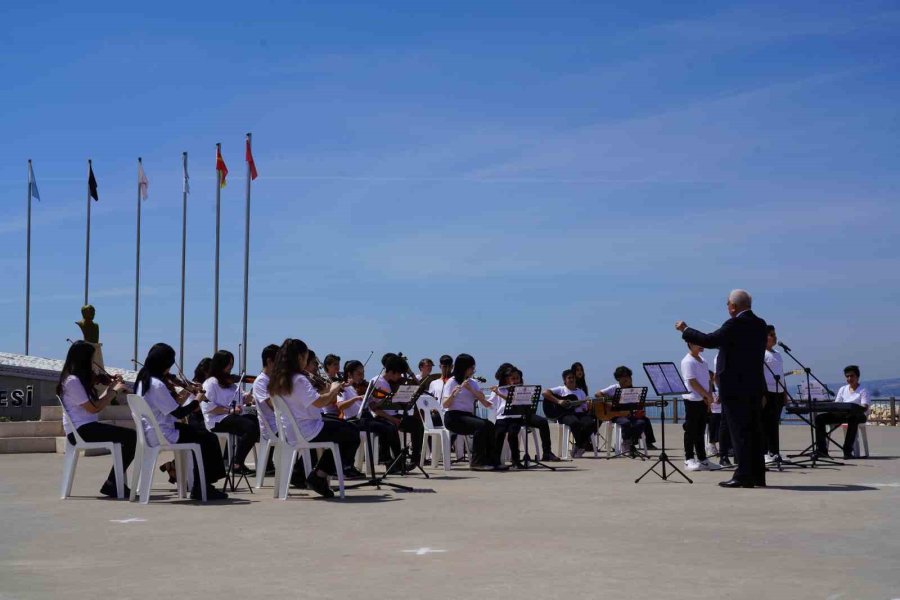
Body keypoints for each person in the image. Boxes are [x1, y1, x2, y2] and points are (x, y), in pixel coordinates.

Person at [677, 289, 768, 488]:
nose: (727, 307)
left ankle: (743, 475)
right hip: (754, 386)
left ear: (733, 306)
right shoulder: (760, 325)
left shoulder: (735, 323)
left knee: (739, 432)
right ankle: (757, 475)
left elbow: (709, 340)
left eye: (728, 304)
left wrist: (686, 330)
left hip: (735, 387)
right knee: (754, 431)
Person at [267, 338, 360, 498]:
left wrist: (325, 391)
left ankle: (318, 474)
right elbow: (319, 403)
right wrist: (333, 389)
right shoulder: (298, 379)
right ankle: (319, 475)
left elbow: (308, 401)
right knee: (352, 433)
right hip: (308, 429)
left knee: (342, 427)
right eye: (305, 357)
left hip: (291, 430)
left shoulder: (279, 379)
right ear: (299, 357)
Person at [136, 343, 227, 500]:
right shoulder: (157, 385)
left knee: (201, 434)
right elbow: (179, 413)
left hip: (153, 430)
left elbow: (170, 407)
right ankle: (202, 486)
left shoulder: (143, 381)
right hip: (163, 433)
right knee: (208, 438)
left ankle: (202, 484)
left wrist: (187, 392)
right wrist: (197, 399)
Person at [58, 341, 133, 498]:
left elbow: (95, 405)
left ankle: (114, 483)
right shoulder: (73, 381)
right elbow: (94, 408)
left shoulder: (78, 380)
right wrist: (113, 391)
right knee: (132, 437)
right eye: (91, 359)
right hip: (81, 431)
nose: (93, 363)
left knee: (130, 436)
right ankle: (112, 484)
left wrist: (110, 387)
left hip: (87, 427)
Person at [442, 353, 506, 470]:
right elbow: (445, 404)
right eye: (471, 368)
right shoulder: (452, 382)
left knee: (490, 425)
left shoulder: (472, 383)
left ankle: (492, 460)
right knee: (481, 425)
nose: (473, 370)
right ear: (464, 368)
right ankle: (477, 462)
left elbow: (484, 401)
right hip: (453, 417)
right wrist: (453, 394)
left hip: (467, 416)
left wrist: (470, 389)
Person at [201, 350, 260, 475]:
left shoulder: (231, 384)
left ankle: (238, 461)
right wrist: (230, 410)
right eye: (228, 364)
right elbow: (209, 408)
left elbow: (242, 397)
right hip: (217, 419)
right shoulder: (210, 383)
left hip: (233, 416)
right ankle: (236, 464)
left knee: (256, 422)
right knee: (250, 427)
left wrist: (248, 397)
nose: (230, 368)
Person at [491, 365, 559, 467]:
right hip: (504, 417)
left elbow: (516, 401)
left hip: (521, 415)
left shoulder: (522, 389)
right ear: (507, 379)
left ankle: (545, 453)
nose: (515, 381)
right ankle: (496, 460)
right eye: (512, 378)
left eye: (517, 378)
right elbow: (489, 404)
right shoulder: (500, 389)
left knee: (538, 423)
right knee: (499, 433)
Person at [365, 354, 425, 470]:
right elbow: (374, 408)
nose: (400, 377)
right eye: (399, 374)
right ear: (391, 372)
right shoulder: (376, 382)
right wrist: (392, 419)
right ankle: (394, 462)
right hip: (382, 417)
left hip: (395, 415)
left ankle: (414, 459)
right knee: (391, 427)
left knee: (417, 424)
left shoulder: (390, 383)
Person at [814, 365, 870, 459]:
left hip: (858, 415)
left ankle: (847, 451)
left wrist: (853, 409)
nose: (849, 378)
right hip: (843, 414)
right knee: (819, 418)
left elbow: (864, 407)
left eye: (852, 376)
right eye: (847, 376)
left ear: (857, 377)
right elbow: (837, 404)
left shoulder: (863, 390)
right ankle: (822, 450)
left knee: (853, 418)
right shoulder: (842, 389)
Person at [595, 366, 648, 456]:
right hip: (616, 415)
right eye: (623, 376)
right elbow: (597, 394)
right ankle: (626, 443)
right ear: (618, 378)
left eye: (628, 376)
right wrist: (609, 402)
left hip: (629, 414)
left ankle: (630, 443)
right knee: (625, 422)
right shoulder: (614, 387)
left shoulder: (633, 390)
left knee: (641, 422)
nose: (626, 378)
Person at [680, 342, 715, 471]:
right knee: (691, 430)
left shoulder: (703, 360)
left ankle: (703, 459)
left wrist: (709, 396)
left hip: (703, 399)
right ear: (690, 344)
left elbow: (708, 380)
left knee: (701, 430)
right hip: (692, 399)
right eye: (698, 343)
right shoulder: (687, 361)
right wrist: (706, 395)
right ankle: (688, 459)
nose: (702, 345)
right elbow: (692, 382)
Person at [544, 369, 594, 458]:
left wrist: (589, 406)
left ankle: (578, 445)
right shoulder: (560, 389)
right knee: (575, 423)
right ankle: (581, 446)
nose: (571, 379)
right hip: (564, 414)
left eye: (573, 378)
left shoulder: (580, 392)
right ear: (564, 380)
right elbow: (545, 393)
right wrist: (558, 401)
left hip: (579, 414)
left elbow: (584, 409)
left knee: (590, 423)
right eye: (569, 378)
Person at [251, 344, 280, 475]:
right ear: (269, 361)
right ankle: (297, 470)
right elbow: (274, 405)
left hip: (281, 424)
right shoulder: (261, 382)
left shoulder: (274, 379)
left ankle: (300, 469)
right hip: (273, 427)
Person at [762, 326, 786, 464]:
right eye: (771, 334)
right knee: (766, 423)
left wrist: (785, 392)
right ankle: (765, 451)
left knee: (774, 423)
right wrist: (762, 393)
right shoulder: (762, 354)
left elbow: (781, 374)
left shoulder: (777, 353)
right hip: (768, 392)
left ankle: (774, 451)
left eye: (775, 334)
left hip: (779, 391)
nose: (775, 337)